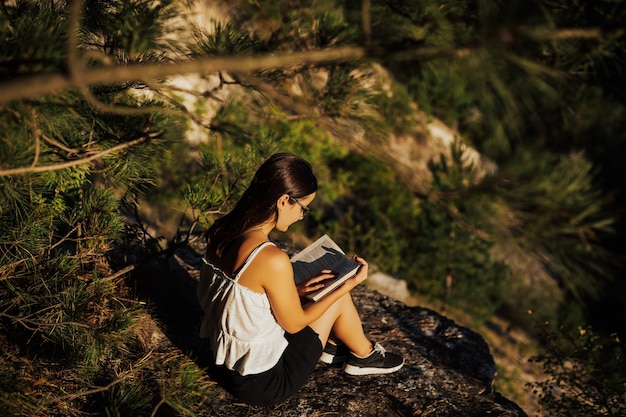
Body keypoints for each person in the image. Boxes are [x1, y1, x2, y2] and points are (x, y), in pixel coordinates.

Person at [197, 152, 404, 406]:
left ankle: (333, 347)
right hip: (264, 383)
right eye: (303, 208)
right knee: (335, 293)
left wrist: (295, 290)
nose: (301, 216)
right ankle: (364, 355)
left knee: (316, 290)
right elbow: (295, 324)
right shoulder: (270, 257)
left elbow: (240, 297)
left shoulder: (221, 231)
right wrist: (347, 285)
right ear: (284, 201)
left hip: (223, 361)